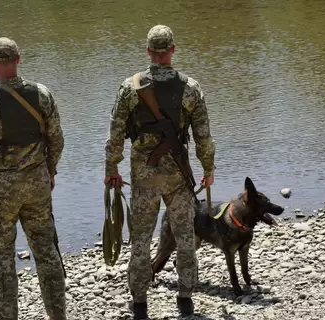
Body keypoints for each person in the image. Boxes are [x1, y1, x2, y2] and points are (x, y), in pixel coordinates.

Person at [103, 25, 216, 319]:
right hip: (178, 176)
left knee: (140, 239)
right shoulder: (191, 87)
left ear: (149, 51)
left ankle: (139, 302)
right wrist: (208, 168)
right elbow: (203, 135)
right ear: (173, 50)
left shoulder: (130, 87)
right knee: (185, 237)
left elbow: (115, 132)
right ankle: (185, 298)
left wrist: (111, 168)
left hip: (144, 174)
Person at [0, 37, 67, 320]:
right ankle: (58, 316)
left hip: (1, 193)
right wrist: (50, 170)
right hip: (37, 186)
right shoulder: (42, 95)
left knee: (3, 262)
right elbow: (56, 139)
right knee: (47, 253)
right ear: (18, 59)